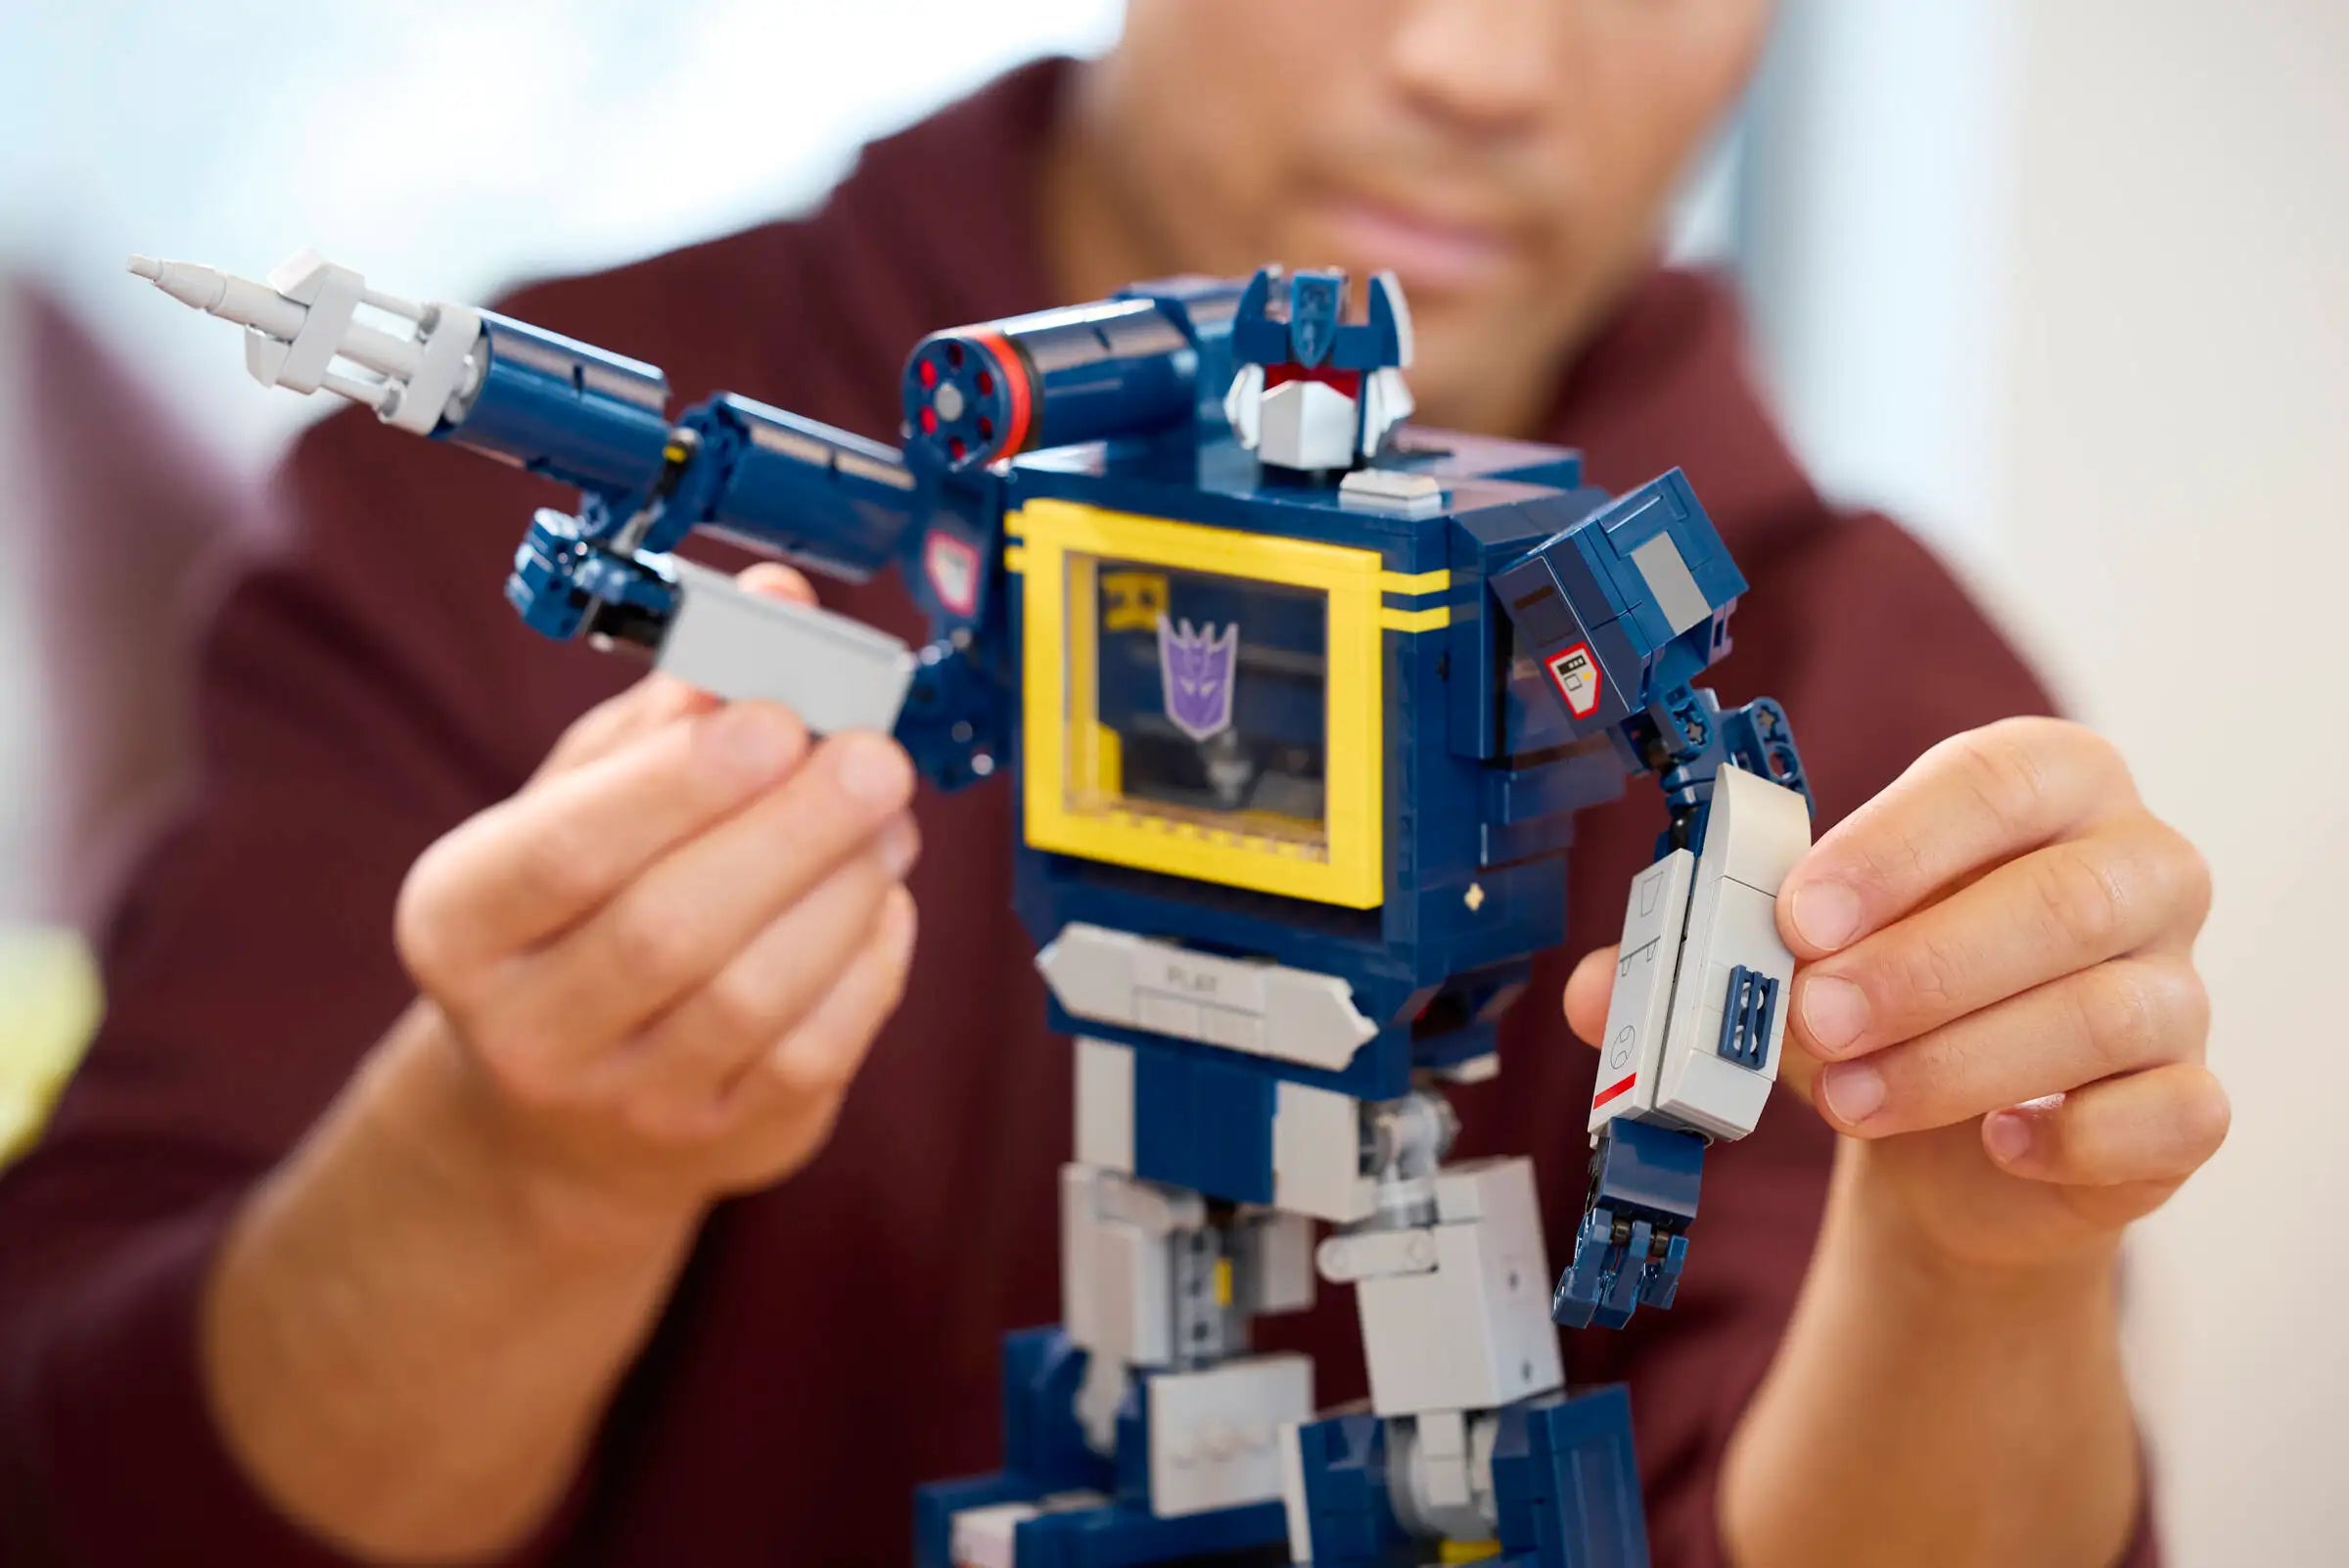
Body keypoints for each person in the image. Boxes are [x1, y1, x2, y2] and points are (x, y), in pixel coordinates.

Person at [0, 6, 2224, 1566]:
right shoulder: (609, 538)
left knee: (1448, 1426)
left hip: (1402, 1126)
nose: (1476, 62)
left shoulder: (1853, 673)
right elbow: (99, 1485)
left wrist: (1970, 1248)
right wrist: (533, 1154)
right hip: (1157, 1156)